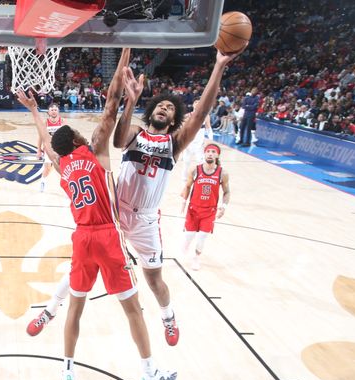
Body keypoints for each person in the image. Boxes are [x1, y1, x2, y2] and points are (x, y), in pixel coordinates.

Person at [28, 49, 241, 348]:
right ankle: (50, 311)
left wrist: (218, 65)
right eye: (160, 104)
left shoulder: (174, 143)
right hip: (114, 215)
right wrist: (131, 100)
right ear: (151, 109)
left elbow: (202, 113)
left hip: (145, 220)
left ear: (174, 117)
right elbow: (117, 139)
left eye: (170, 107)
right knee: (79, 266)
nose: (164, 108)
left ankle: (168, 316)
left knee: (154, 280)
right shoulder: (136, 135)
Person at [18, 48, 177, 380]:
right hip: (108, 235)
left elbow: (46, 142)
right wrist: (124, 54)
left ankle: (67, 371)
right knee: (133, 309)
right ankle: (149, 371)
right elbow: (111, 103)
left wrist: (33, 110)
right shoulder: (96, 151)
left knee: (76, 307)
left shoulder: (61, 165)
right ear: (78, 139)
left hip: (81, 238)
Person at [180, 144, 231, 270]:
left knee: (202, 237)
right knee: (189, 236)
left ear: (217, 155)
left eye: (213, 151)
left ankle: (196, 258)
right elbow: (187, 186)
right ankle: (185, 246)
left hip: (209, 210)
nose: (210, 153)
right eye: (208, 151)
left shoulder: (222, 173)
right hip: (193, 209)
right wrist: (183, 202)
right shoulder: (195, 169)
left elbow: (227, 191)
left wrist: (223, 207)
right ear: (204, 153)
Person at [35, 102, 63, 193]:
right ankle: (43, 181)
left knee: (63, 168)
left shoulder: (62, 121)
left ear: (58, 111)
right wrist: (38, 149)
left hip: (60, 148)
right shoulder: (45, 122)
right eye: (52, 110)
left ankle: (67, 184)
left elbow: (66, 135)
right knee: (47, 168)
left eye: (55, 110)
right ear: (48, 112)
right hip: (48, 148)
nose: (54, 111)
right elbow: (40, 136)